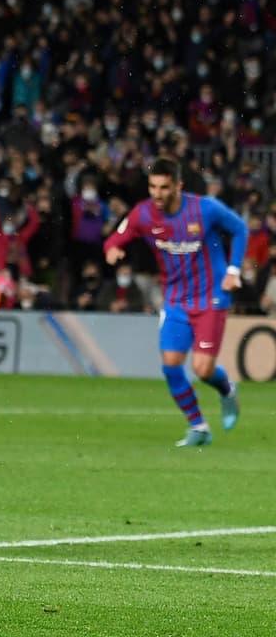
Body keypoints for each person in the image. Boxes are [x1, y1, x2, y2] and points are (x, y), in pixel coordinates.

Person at [103, 156, 247, 447]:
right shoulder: (143, 214)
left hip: (211, 297)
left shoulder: (204, 209)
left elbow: (240, 228)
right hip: (176, 299)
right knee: (171, 364)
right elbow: (115, 238)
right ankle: (199, 427)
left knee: (203, 370)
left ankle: (227, 390)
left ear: (178, 185)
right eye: (152, 187)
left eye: (164, 187)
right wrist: (112, 250)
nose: (157, 194)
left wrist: (233, 270)